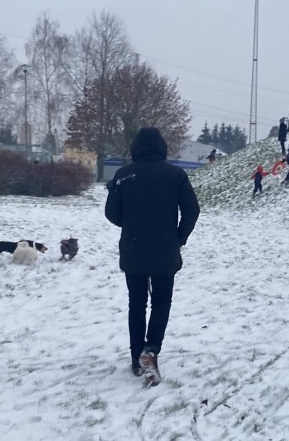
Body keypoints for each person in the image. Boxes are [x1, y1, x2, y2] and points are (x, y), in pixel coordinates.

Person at [105, 127, 200, 385]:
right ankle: (152, 349)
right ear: (162, 148)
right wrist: (179, 237)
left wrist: (133, 221)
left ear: (135, 147)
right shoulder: (176, 175)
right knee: (161, 302)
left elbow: (111, 214)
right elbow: (192, 209)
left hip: (134, 248)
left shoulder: (124, 175)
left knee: (136, 304)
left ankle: (137, 359)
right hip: (165, 250)